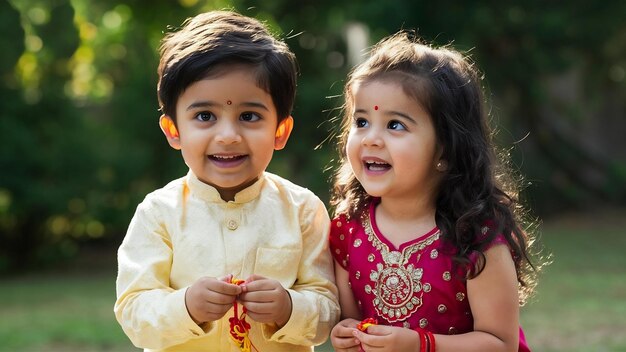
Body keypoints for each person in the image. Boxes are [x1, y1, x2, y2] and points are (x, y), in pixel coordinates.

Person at [114, 10, 339, 352]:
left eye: (249, 116)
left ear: (280, 131)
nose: (228, 135)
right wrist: (186, 307)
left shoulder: (303, 210)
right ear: (173, 131)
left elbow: (328, 309)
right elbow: (133, 312)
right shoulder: (159, 213)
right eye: (205, 116)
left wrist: (289, 308)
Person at [328, 31, 542, 352]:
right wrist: (346, 332)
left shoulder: (476, 236)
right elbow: (350, 318)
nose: (371, 138)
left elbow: (501, 343)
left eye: (395, 125)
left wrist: (420, 344)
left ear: (444, 149)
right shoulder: (348, 226)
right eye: (361, 121)